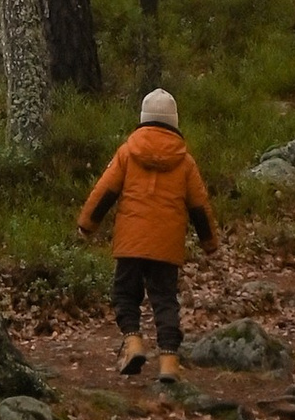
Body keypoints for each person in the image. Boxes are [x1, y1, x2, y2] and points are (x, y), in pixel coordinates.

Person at [77, 85, 216, 386]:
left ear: (143, 118)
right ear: (174, 122)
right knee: (164, 300)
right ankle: (168, 362)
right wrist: (209, 243)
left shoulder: (127, 152)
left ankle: (134, 342)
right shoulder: (185, 162)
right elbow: (200, 208)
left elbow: (104, 192)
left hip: (130, 241)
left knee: (125, 294)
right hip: (166, 245)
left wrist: (87, 224)